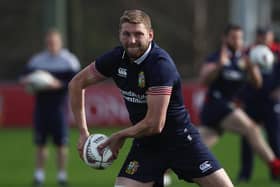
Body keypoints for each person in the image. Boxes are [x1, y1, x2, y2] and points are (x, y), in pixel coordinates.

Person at [69, 9, 234, 187]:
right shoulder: (116, 58)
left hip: (180, 141)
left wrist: (120, 135)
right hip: (146, 145)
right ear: (120, 34)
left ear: (150, 35)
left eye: (138, 34)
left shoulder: (160, 65)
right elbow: (76, 84)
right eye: (126, 34)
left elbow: (155, 124)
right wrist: (83, 133)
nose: (131, 40)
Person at [198, 24, 280, 179]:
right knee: (251, 129)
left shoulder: (244, 59)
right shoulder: (216, 57)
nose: (238, 41)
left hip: (223, 111)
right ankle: (275, 165)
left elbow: (258, 83)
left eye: (240, 38)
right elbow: (204, 80)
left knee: (193, 147)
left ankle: (163, 170)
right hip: (215, 105)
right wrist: (219, 67)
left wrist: (252, 68)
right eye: (234, 37)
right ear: (225, 38)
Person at [20, 29, 81, 186]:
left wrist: (56, 84)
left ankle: (62, 176)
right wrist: (29, 81)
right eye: (49, 42)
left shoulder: (69, 60)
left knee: (61, 144)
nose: (51, 45)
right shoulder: (37, 61)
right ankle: (39, 176)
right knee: (40, 143)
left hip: (59, 108)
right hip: (41, 107)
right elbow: (23, 78)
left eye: (54, 42)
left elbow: (76, 82)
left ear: (60, 42)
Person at [237, 27, 280, 182]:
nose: (263, 39)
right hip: (251, 101)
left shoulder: (278, 52)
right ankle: (245, 174)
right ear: (257, 37)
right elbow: (240, 74)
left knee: (274, 138)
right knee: (248, 137)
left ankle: (276, 173)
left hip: (271, 102)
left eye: (266, 36)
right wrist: (240, 98)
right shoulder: (248, 52)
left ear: (271, 37)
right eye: (260, 36)